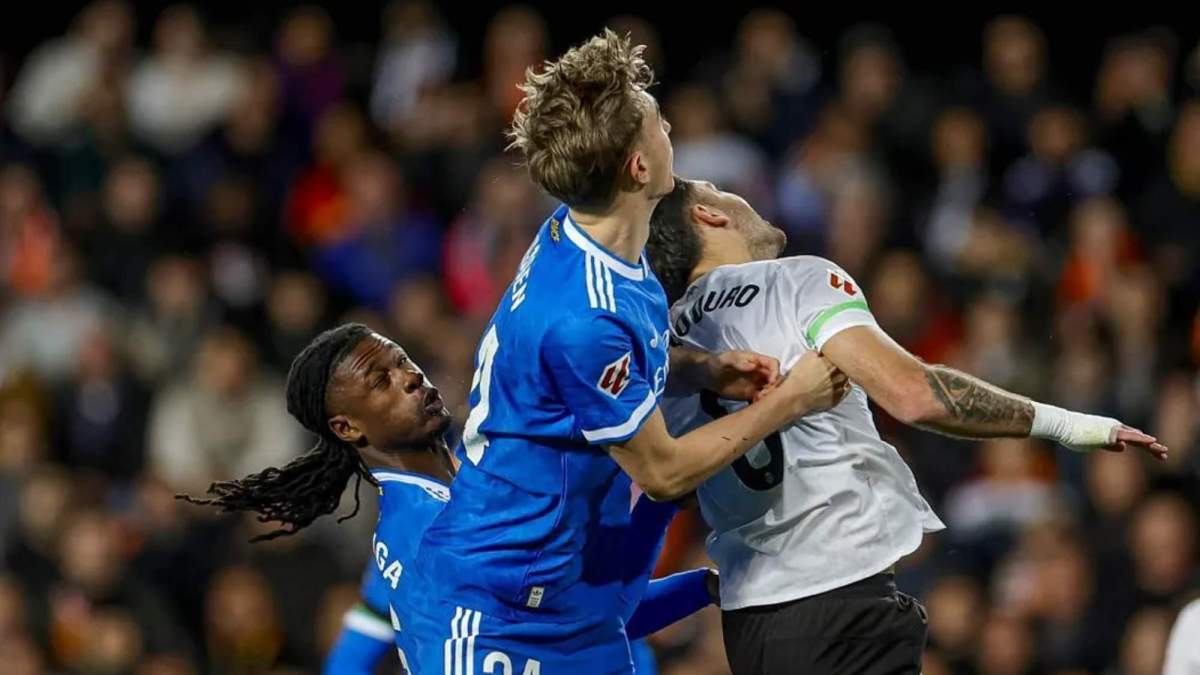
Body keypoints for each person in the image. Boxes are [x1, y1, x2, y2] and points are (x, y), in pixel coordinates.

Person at [397, 30, 848, 675]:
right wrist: (794, 398)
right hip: (491, 610)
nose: (670, 130)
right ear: (638, 168)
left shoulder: (581, 232)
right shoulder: (584, 319)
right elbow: (662, 471)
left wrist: (705, 366)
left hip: (569, 599)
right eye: (657, 123)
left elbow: (624, 362)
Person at [643, 178, 1168, 675]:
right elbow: (913, 395)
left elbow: (690, 488)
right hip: (839, 603)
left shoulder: (664, 357)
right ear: (706, 213)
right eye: (720, 190)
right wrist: (1067, 424)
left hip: (751, 624)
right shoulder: (792, 281)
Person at [180, 324, 720, 674]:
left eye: (402, 361)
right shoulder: (430, 530)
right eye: (381, 381)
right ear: (347, 427)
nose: (410, 378)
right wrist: (661, 503)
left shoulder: (470, 482)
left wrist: (706, 580)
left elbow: (595, 616)